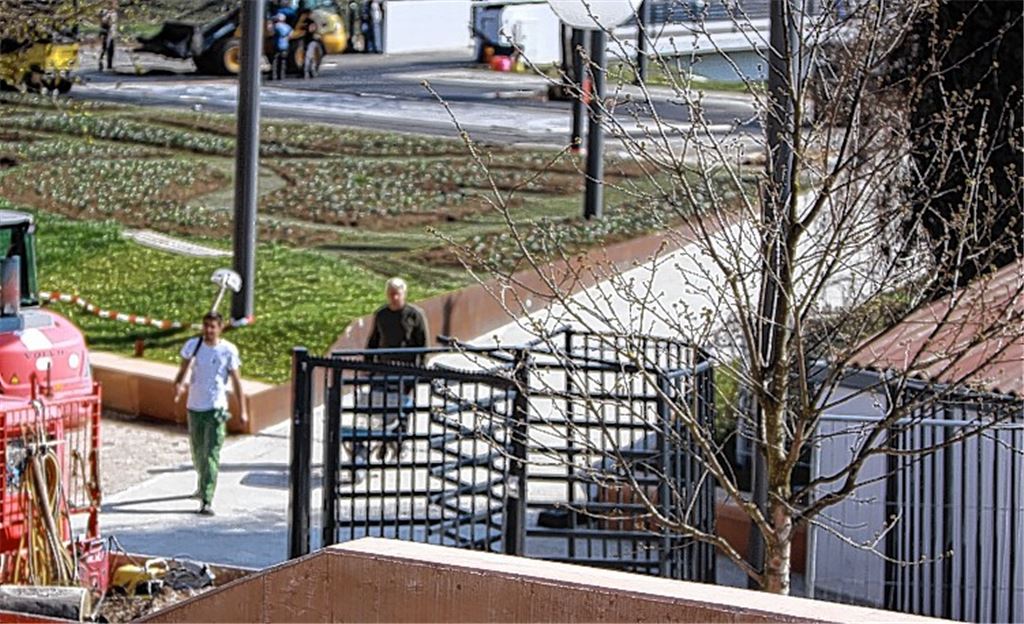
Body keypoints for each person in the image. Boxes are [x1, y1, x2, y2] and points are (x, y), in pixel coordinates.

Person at [173, 312, 246, 516]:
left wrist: (243, 411)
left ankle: (207, 498)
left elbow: (237, 382)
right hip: (195, 407)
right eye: (206, 326)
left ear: (220, 328)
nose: (208, 330)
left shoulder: (228, 351)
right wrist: (178, 387)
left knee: (211, 452)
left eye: (213, 326)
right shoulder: (193, 346)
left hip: (216, 408)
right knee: (198, 452)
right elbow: (183, 372)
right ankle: (202, 483)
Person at [356, 277, 428, 462]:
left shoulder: (414, 315)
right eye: (391, 294)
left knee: (402, 408)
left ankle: (400, 442)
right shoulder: (381, 315)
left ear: (404, 294)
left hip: (405, 370)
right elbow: (373, 341)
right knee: (380, 406)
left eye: (397, 293)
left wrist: (419, 371)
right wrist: (368, 365)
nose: (394, 297)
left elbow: (422, 344)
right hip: (383, 369)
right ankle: (381, 442)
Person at [269, 13, 293, 80]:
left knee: (274, 61)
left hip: (277, 45)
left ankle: (273, 76)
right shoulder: (288, 27)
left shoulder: (276, 26)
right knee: (282, 62)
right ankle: (281, 76)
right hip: (285, 46)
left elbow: (271, 32)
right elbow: (290, 35)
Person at [98, 5, 118, 71]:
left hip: (111, 33)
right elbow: (103, 23)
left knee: (110, 50)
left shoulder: (112, 13)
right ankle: (101, 63)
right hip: (107, 33)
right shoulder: (106, 13)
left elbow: (112, 23)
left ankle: (109, 65)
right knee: (104, 49)